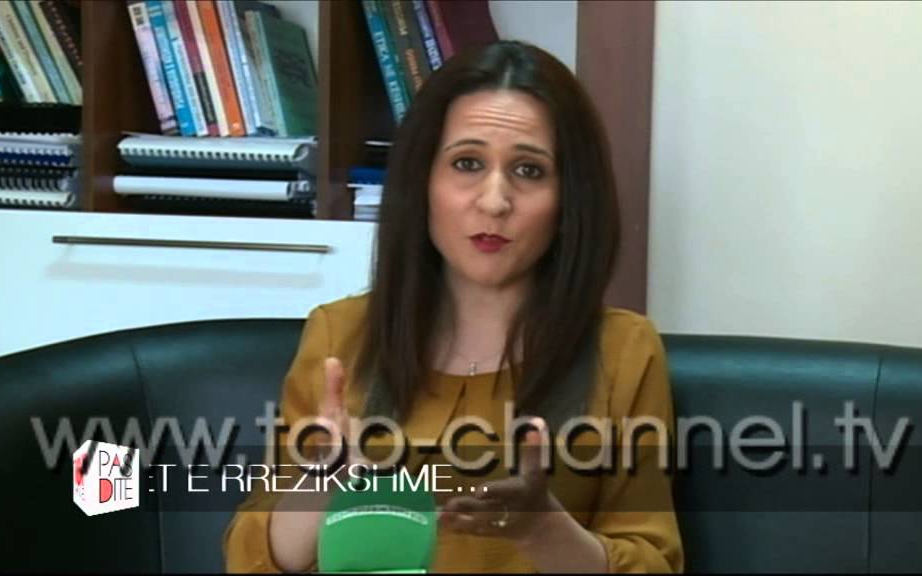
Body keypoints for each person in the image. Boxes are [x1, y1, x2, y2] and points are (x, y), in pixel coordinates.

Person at [223, 40, 683, 573]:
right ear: (423, 181)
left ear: (569, 199)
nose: (494, 201)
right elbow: (249, 560)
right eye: (467, 163)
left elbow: (655, 562)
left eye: (529, 171)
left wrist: (545, 532)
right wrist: (324, 482)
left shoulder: (624, 350)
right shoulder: (339, 336)